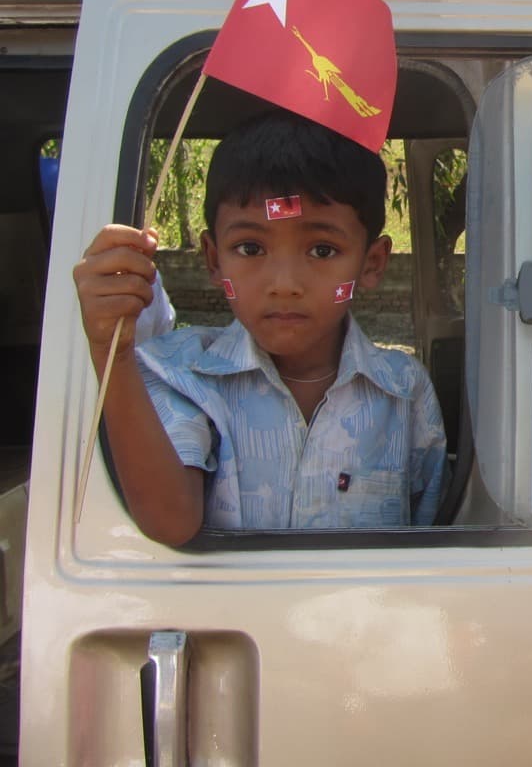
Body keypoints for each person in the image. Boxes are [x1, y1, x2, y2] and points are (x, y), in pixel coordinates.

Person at [73, 109, 448, 544]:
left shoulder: (404, 391)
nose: (284, 285)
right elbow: (170, 522)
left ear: (372, 263)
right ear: (214, 260)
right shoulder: (178, 376)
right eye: (250, 248)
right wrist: (112, 353)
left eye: (322, 251)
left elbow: (428, 543)